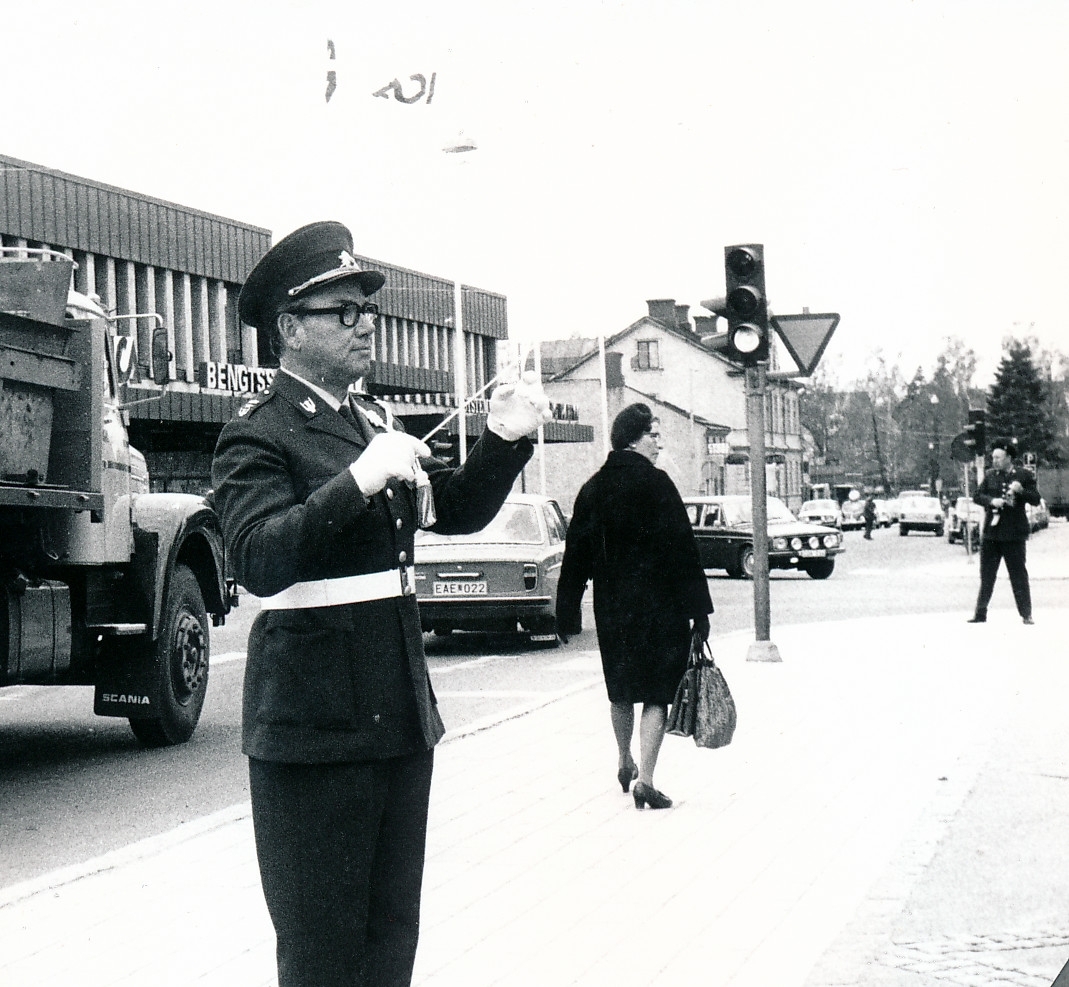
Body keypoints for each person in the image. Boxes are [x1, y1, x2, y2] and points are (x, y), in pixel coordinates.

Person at [210, 221, 550, 987]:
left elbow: (450, 510)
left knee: (389, 939)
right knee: (323, 951)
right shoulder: (257, 435)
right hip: (315, 724)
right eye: (343, 311)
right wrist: (357, 479)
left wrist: (502, 439)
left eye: (366, 309)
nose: (365, 323)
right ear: (289, 330)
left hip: (395, 711)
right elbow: (257, 558)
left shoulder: (372, 423)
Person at [556, 403, 713, 810]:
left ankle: (623, 758)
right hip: (662, 610)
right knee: (657, 693)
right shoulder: (659, 485)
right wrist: (700, 612)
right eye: (654, 435)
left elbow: (576, 555)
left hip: (613, 610)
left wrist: (567, 611)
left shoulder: (592, 488)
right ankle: (646, 778)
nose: (659, 443)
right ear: (633, 438)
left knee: (621, 690)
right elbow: (685, 551)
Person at [968, 437, 1041, 625]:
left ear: (1009, 457)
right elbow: (977, 495)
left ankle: (1026, 614)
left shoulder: (1023, 475)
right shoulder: (991, 475)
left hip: (1014, 534)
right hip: (992, 533)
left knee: (1018, 575)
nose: (995, 461)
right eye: (993, 458)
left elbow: (1035, 499)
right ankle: (980, 612)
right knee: (987, 575)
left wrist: (1020, 491)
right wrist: (991, 501)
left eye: (998, 458)